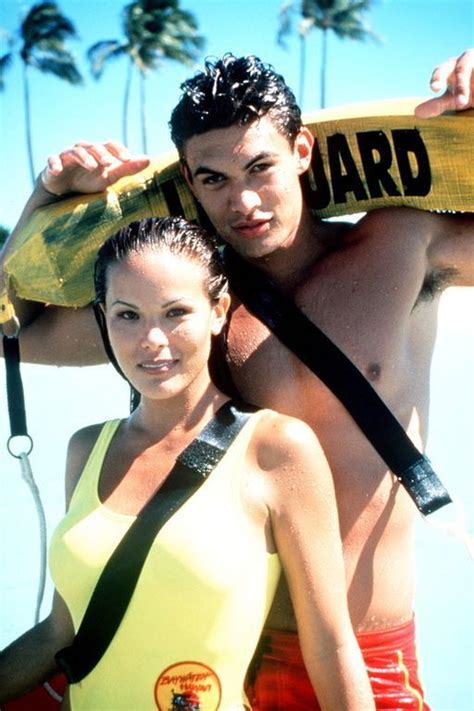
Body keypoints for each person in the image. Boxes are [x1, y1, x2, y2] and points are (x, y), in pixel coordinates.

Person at [0, 49, 473, 708]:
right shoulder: (191, 306)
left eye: (260, 167)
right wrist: (44, 199)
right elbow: (14, 332)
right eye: (213, 179)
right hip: (219, 658)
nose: (243, 201)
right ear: (190, 184)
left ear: (302, 151)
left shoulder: (400, 247)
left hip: (369, 657)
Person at [0, 216, 374, 710]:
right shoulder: (87, 449)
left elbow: (330, 644)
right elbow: (60, 633)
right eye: (127, 315)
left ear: (218, 311)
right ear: (103, 317)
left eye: (175, 312)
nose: (152, 340)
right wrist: (50, 191)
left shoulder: (275, 450)